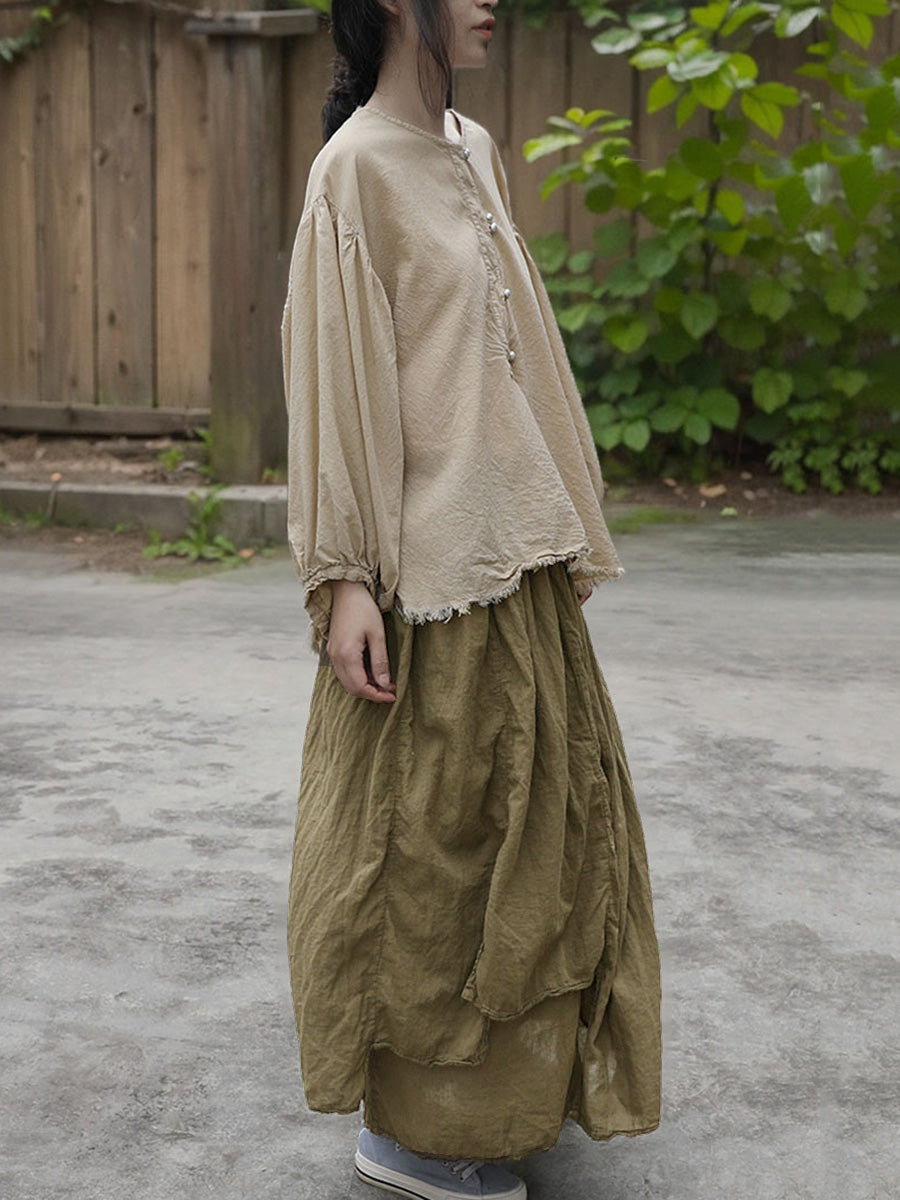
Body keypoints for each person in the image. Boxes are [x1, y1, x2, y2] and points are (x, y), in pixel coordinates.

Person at [280, 0, 662, 1195]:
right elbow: (334, 378)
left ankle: (506, 1108)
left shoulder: (472, 145)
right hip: (427, 585)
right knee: (431, 862)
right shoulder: (353, 172)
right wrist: (344, 576)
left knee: (541, 851)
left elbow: (515, 358)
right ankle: (417, 1135)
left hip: (516, 561)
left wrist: (561, 518)